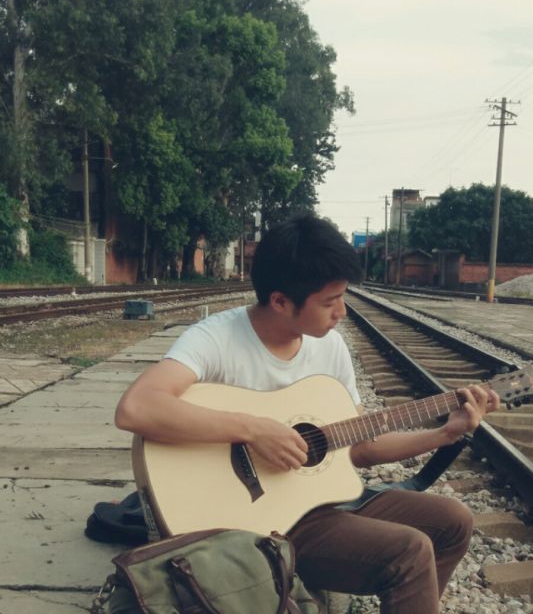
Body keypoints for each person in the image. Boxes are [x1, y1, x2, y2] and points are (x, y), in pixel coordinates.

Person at [115, 213, 500, 614]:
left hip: (316, 504)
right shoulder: (215, 338)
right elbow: (136, 408)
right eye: (330, 302)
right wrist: (253, 430)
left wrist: (445, 434)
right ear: (280, 301)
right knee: (409, 551)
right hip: (248, 524)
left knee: (454, 520)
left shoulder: (329, 348)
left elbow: (362, 447)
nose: (342, 312)